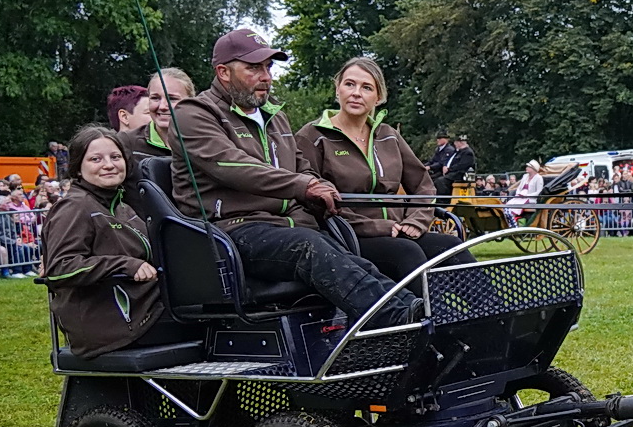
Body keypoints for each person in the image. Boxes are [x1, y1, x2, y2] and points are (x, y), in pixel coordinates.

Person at [167, 28, 417, 325]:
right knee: (311, 247)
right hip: (232, 231)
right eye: (254, 68)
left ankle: (417, 312)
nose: (266, 76)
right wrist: (306, 185)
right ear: (223, 72)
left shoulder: (275, 118)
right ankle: (395, 321)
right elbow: (234, 166)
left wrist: (318, 184)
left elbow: (300, 165)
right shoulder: (193, 113)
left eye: (269, 67)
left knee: (350, 258)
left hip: (291, 227)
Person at [296, 57, 461, 282]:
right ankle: (427, 315)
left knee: (451, 246)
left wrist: (416, 220)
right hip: (346, 237)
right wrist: (376, 226)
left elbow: (423, 184)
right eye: (349, 84)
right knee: (406, 252)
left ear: (379, 97)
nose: (356, 93)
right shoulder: (312, 136)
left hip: (399, 230)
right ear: (338, 90)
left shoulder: (389, 135)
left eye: (366, 87)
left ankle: (493, 316)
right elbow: (313, 199)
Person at [38, 127, 183, 358]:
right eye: (96, 159)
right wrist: (125, 264)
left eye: (115, 157)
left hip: (148, 309)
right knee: (215, 329)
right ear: (77, 167)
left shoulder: (122, 207)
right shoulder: (75, 207)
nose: (109, 165)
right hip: (111, 327)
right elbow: (59, 269)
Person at [138, 66, 196, 156]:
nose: (162, 106)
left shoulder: (207, 140)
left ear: (191, 102)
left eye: (172, 99)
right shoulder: (128, 143)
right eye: (155, 98)